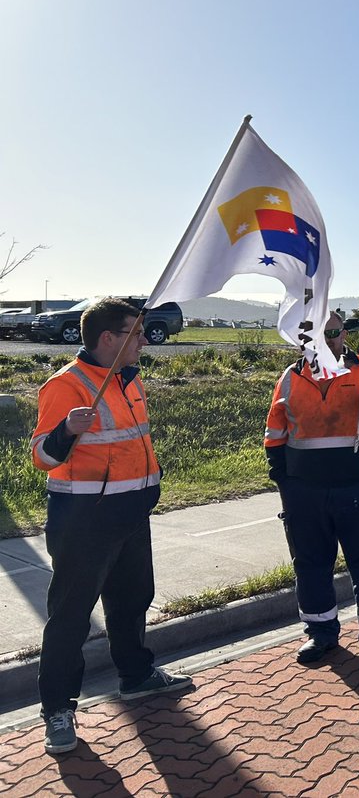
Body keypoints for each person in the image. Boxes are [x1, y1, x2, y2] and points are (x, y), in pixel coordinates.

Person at [31, 298, 192, 755]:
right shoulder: (66, 386)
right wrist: (64, 431)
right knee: (70, 617)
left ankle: (136, 675)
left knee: (132, 600)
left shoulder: (129, 380)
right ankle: (58, 711)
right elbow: (42, 456)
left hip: (129, 514)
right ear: (108, 339)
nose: (144, 340)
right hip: (84, 520)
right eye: (135, 333)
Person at [265, 313, 359, 671]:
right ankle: (321, 633)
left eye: (332, 333)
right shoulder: (290, 377)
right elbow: (275, 434)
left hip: (357, 489)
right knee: (311, 565)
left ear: (344, 334)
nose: (325, 342)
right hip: (305, 494)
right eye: (315, 336)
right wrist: (286, 483)